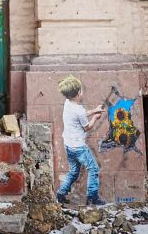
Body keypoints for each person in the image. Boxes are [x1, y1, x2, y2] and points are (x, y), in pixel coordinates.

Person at [55, 75, 106, 206]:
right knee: (93, 169)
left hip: (68, 145)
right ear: (78, 94)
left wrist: (94, 110)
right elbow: (87, 127)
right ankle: (92, 197)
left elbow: (81, 115)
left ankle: (61, 193)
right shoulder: (78, 110)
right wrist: (95, 117)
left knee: (73, 171)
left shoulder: (68, 103)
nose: (82, 92)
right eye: (81, 90)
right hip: (79, 147)